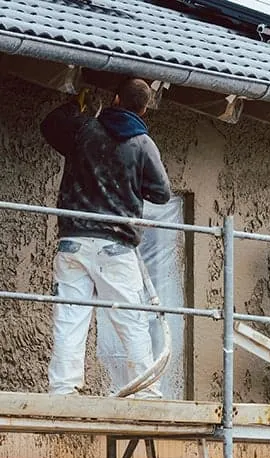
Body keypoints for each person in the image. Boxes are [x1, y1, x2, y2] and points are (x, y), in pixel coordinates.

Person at [40, 78, 172, 397]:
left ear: (115, 99)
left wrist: (75, 105)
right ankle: (145, 393)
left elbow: (50, 125)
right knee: (131, 319)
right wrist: (131, 182)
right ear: (144, 109)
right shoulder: (142, 144)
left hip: (73, 240)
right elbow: (162, 193)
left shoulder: (84, 129)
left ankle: (63, 390)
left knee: (70, 318)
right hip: (116, 245)